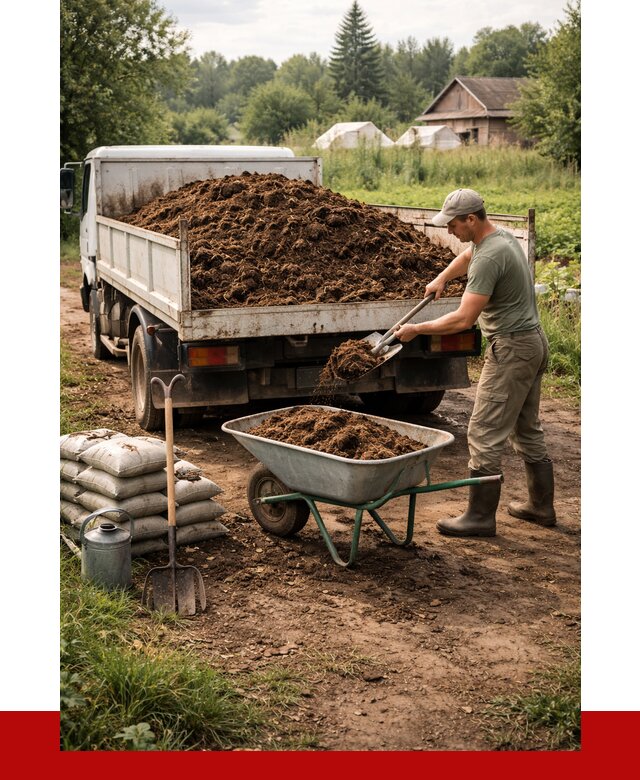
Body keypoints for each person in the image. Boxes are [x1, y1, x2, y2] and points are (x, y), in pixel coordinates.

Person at [394, 188, 556, 538]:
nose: (448, 231)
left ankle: (480, 517)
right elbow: (468, 256)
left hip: (512, 350)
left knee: (483, 433)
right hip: (532, 343)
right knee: (526, 427)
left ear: (471, 219)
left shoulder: (490, 258)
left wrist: (416, 329)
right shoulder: (500, 240)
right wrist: (442, 278)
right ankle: (541, 506)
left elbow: (463, 319)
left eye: (452, 224)